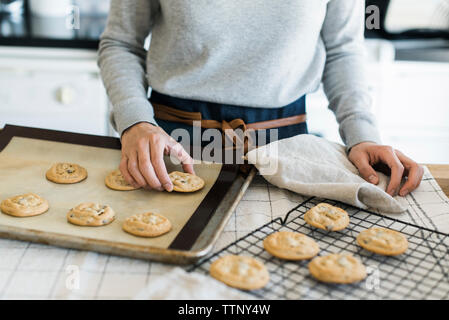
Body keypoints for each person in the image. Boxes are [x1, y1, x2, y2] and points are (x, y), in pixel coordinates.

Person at [98, 0, 423, 195]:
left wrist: (362, 135)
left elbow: (342, 50)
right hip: (170, 145)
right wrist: (134, 122)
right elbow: (121, 43)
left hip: (286, 148)